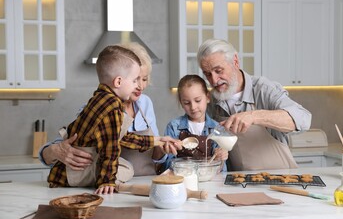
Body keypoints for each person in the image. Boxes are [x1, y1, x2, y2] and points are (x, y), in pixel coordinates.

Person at [47, 45, 181, 195]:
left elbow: (121, 138)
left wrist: (158, 142)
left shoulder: (103, 98)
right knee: (127, 169)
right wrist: (106, 181)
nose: (140, 85)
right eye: (135, 80)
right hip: (90, 179)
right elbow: (109, 149)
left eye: (144, 79)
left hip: (138, 182)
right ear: (118, 81)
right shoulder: (112, 108)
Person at [197, 39, 312, 171]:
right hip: (238, 183)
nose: (214, 80)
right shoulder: (211, 100)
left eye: (218, 71)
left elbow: (303, 119)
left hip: (281, 179)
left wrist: (254, 116)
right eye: (207, 74)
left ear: (235, 61)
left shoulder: (263, 89)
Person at [162, 74, 228, 171]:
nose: (193, 107)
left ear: (208, 97)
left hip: (209, 182)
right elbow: (166, 165)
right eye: (187, 103)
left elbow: (222, 170)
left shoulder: (216, 128)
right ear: (181, 103)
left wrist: (220, 159)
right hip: (183, 181)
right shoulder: (173, 127)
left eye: (198, 100)